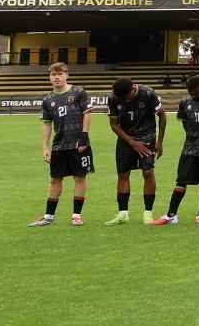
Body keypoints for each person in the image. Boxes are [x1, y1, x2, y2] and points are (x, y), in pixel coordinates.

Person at [29, 62, 93, 227]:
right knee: (55, 180)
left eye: (60, 74)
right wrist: (45, 146)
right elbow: (46, 123)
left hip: (79, 143)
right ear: (50, 78)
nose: (56, 77)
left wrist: (84, 137)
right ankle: (49, 216)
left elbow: (87, 114)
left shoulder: (79, 92)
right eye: (53, 74)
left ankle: (76, 215)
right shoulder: (48, 99)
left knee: (80, 177)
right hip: (59, 145)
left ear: (67, 75)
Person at [153, 75, 199, 225]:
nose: (192, 93)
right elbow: (185, 123)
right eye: (189, 91)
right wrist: (193, 137)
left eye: (194, 90)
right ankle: (171, 215)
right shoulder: (185, 102)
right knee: (181, 180)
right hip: (189, 148)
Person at [105, 77, 165, 225]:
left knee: (148, 173)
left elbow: (162, 116)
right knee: (123, 174)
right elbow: (113, 124)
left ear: (133, 90)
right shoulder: (113, 98)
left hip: (147, 138)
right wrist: (132, 142)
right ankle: (123, 213)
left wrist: (160, 142)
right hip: (126, 140)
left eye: (126, 97)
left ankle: (148, 214)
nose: (124, 101)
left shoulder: (148, 94)